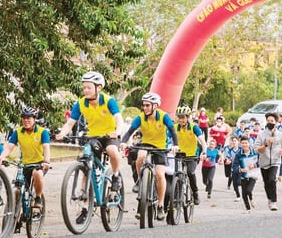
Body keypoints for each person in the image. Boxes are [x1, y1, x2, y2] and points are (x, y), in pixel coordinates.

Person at [55, 71, 124, 191]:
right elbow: (70, 123)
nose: (86, 90)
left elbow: (119, 119)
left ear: (99, 88)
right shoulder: (80, 103)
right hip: (92, 136)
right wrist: (62, 133)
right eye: (84, 88)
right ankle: (85, 202)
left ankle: (116, 175)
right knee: (87, 165)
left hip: (109, 135)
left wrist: (117, 132)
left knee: (111, 150)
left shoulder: (108, 101)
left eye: (89, 87)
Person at [120, 92, 179, 221]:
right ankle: (140, 180)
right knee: (140, 156)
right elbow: (130, 131)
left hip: (160, 147)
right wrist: (124, 142)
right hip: (146, 144)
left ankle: (160, 205)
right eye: (144, 105)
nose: (145, 108)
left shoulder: (163, 116)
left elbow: (173, 131)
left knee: (159, 174)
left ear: (155, 106)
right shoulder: (140, 117)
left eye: (147, 105)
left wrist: (175, 145)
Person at [0, 107, 50, 208]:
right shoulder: (17, 132)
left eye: (29, 118)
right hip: (25, 165)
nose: (26, 120)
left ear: (34, 119)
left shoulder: (43, 132)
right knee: (19, 185)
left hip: (39, 164)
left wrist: (46, 161)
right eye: (24, 118)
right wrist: (2, 157)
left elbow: (46, 148)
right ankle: (18, 214)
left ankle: (38, 198)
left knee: (37, 173)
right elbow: (9, 147)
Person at [174, 105, 207, 205]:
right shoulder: (175, 127)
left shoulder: (194, 127)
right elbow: (167, 139)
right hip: (179, 155)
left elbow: (202, 141)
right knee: (174, 175)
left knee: (190, 172)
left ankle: (195, 193)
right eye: (179, 117)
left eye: (183, 117)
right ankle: (175, 195)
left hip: (192, 156)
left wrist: (204, 152)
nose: (181, 120)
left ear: (188, 118)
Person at [254, 112, 282, 211]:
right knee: (267, 183)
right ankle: (269, 198)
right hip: (264, 161)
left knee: (272, 180)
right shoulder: (261, 134)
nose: (270, 122)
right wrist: (266, 145)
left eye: (272, 121)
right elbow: (257, 149)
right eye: (268, 121)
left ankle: (274, 202)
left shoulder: (281, 134)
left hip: (276, 161)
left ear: (276, 122)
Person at [233, 136, 259, 214]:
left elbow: (261, 161)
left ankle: (251, 199)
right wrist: (240, 170)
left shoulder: (254, 152)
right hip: (243, 175)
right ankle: (248, 209)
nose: (244, 145)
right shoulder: (238, 154)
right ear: (240, 144)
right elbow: (234, 166)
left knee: (248, 190)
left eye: (246, 143)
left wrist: (254, 165)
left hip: (253, 175)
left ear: (249, 143)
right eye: (243, 143)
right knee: (244, 193)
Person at [223, 136, 241, 201]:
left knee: (239, 182)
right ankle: (238, 196)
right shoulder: (230, 150)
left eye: (235, 141)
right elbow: (228, 158)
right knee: (235, 184)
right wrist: (228, 161)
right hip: (233, 168)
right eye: (233, 141)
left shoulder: (241, 150)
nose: (234, 142)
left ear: (238, 142)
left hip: (241, 169)